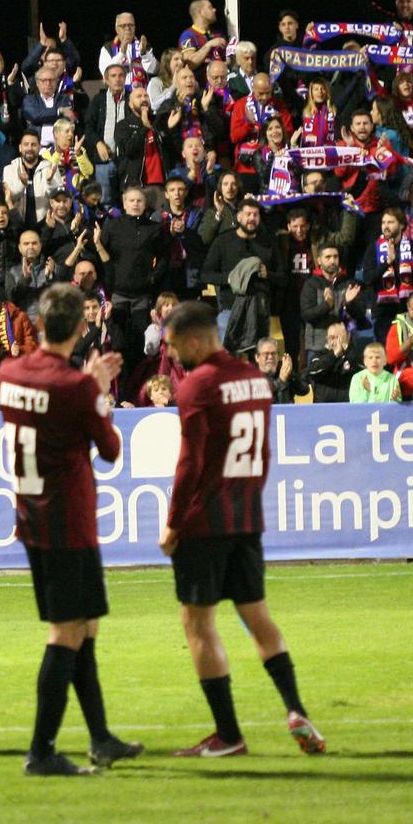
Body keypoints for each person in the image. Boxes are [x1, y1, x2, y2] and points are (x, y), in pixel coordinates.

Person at [157, 301, 324, 757]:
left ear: (195, 339)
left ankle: (228, 735)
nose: (171, 356)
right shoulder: (254, 379)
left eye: (173, 346)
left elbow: (190, 463)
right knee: (258, 617)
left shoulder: (199, 386)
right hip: (245, 518)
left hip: (203, 523)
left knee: (197, 623)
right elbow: (264, 452)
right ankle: (295, 708)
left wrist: (173, 524)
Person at [0, 283, 138, 776]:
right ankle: (41, 750)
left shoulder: (8, 371)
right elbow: (112, 450)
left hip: (32, 517)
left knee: (85, 627)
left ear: (36, 323)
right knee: (67, 632)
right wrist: (96, 391)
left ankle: (100, 738)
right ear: (81, 328)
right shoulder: (74, 386)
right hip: (66, 522)